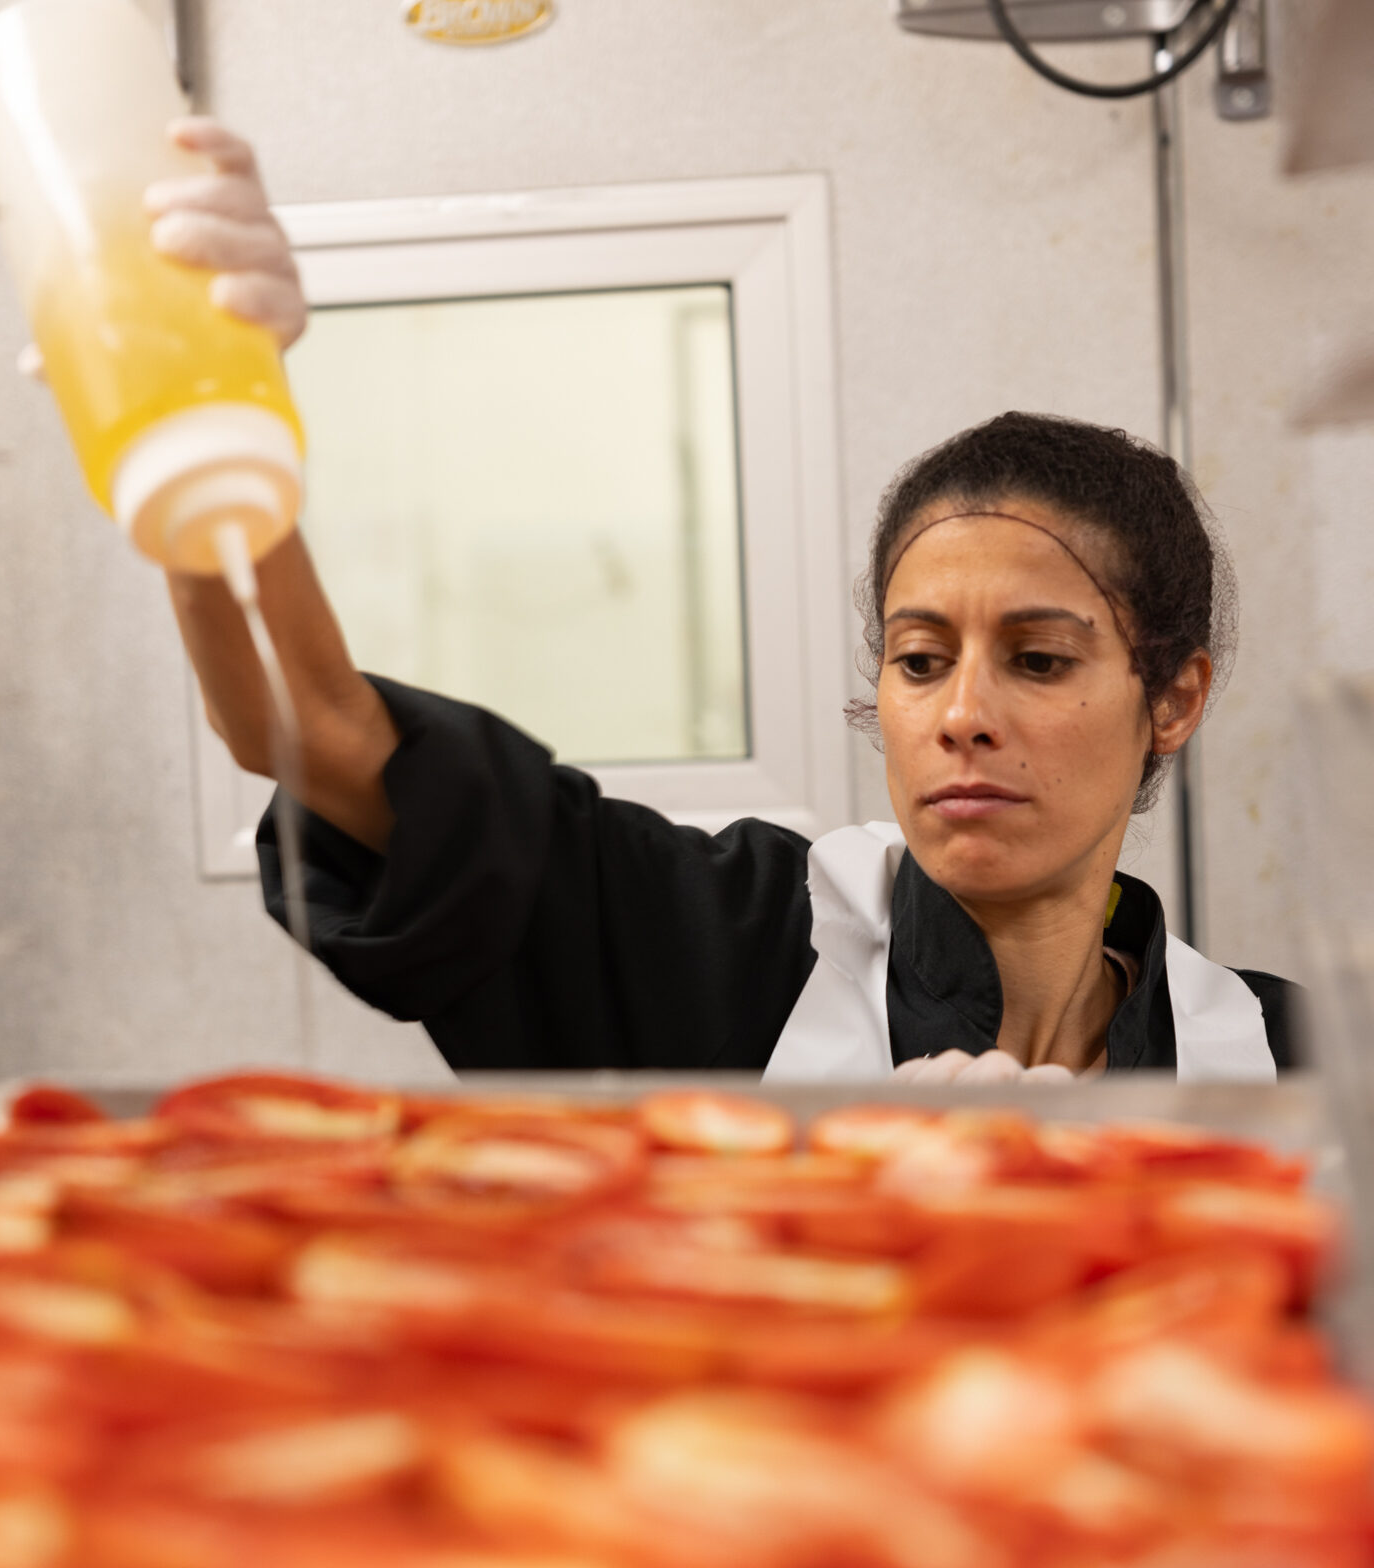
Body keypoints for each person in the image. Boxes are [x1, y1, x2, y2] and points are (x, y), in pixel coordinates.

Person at [154, 122, 1298, 1085]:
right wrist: (206, 415)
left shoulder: (1278, 1060)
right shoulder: (724, 945)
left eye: (1039, 660)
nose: (961, 714)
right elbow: (292, 720)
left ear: (1173, 697)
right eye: (917, 659)